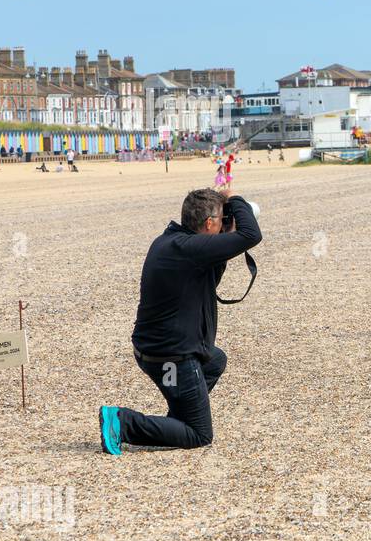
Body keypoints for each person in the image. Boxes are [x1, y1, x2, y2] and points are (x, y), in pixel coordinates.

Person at [99, 187, 262, 454]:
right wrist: (235, 200)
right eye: (221, 220)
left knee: (214, 360)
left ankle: (173, 423)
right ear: (209, 223)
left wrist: (224, 236)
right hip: (170, 358)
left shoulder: (173, 241)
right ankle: (122, 422)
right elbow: (251, 235)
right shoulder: (189, 248)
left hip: (159, 349)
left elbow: (208, 281)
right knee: (199, 434)